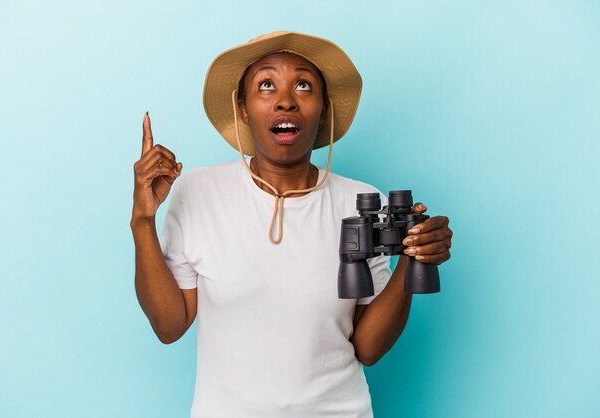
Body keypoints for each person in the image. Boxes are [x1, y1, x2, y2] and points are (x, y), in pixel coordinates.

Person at [131, 31, 453, 418]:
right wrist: (143, 222)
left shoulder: (361, 202)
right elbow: (169, 326)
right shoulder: (198, 191)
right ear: (244, 108)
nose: (285, 100)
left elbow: (368, 348)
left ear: (322, 109)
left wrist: (413, 258)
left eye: (303, 85)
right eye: (266, 85)